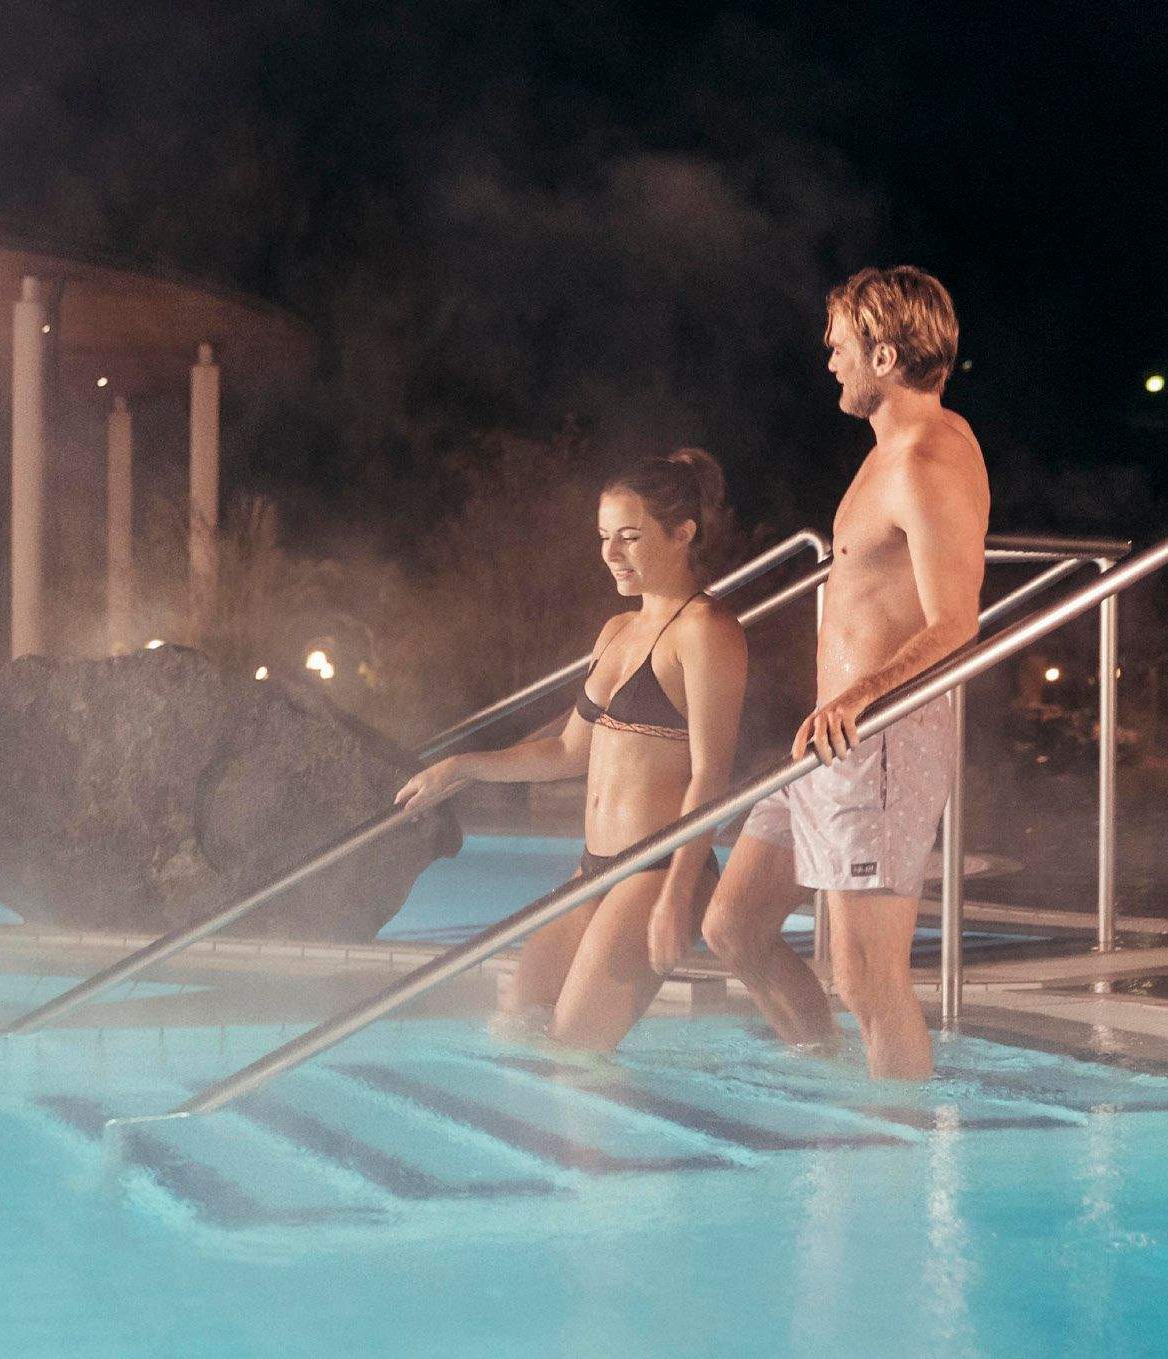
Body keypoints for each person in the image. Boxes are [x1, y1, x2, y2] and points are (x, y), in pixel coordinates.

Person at [700, 265, 987, 1081]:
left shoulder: (925, 459)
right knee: (736, 926)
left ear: (886, 356)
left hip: (879, 738)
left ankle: (895, 1153)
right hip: (833, 737)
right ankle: (822, 1072)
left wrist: (861, 693)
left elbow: (956, 620)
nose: (829, 360)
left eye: (839, 347)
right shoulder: (890, 451)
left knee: (866, 977)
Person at [396, 449, 746, 1052]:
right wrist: (461, 767)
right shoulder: (616, 630)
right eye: (605, 537)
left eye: (630, 537)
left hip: (655, 869)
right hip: (593, 868)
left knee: (574, 1049)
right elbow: (565, 751)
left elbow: (712, 776)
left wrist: (677, 895)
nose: (611, 554)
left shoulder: (707, 632)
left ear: (682, 534)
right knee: (519, 1019)